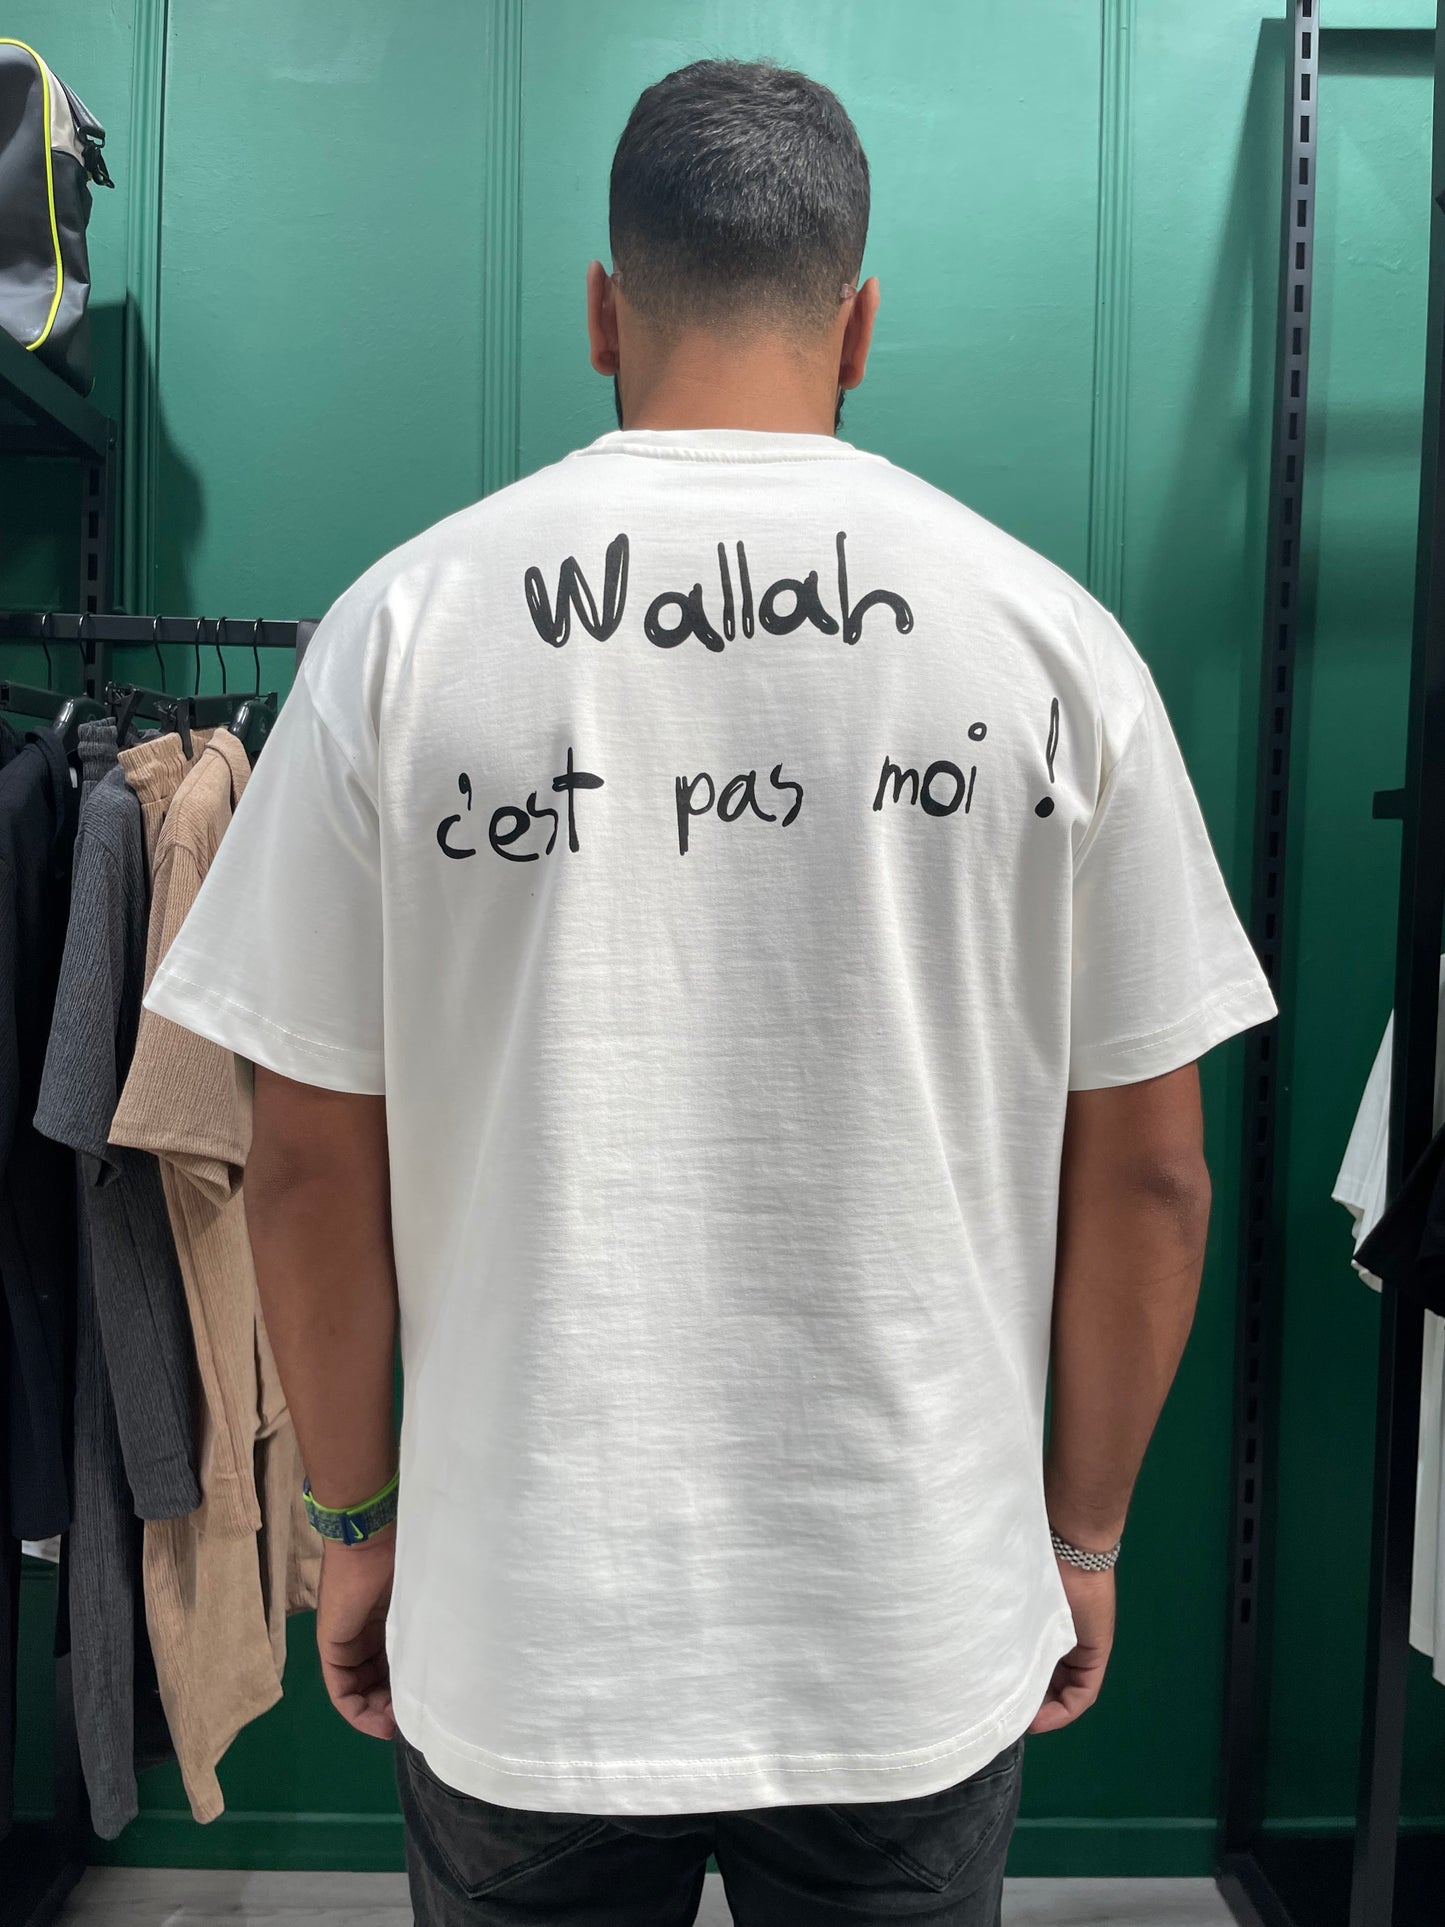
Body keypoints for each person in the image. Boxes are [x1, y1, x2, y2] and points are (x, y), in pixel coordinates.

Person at [141, 54, 1278, 1927]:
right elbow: (1154, 1182)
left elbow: (309, 1167)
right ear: (860, 325)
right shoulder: (1052, 648)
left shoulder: (401, 635)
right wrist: (1079, 1538)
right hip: (909, 1634)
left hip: (525, 1640)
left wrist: (353, 1525)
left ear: (602, 311)